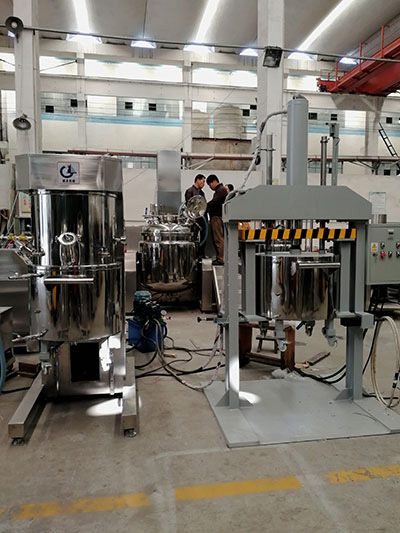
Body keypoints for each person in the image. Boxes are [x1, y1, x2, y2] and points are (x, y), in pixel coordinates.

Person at [206, 174, 227, 265]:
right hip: (217, 217)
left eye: (210, 184)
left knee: (218, 238)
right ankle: (220, 257)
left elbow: (214, 202)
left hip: (217, 218)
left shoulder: (221, 190)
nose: (210, 187)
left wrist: (205, 205)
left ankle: (220, 259)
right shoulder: (219, 190)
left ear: (214, 181)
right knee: (218, 238)